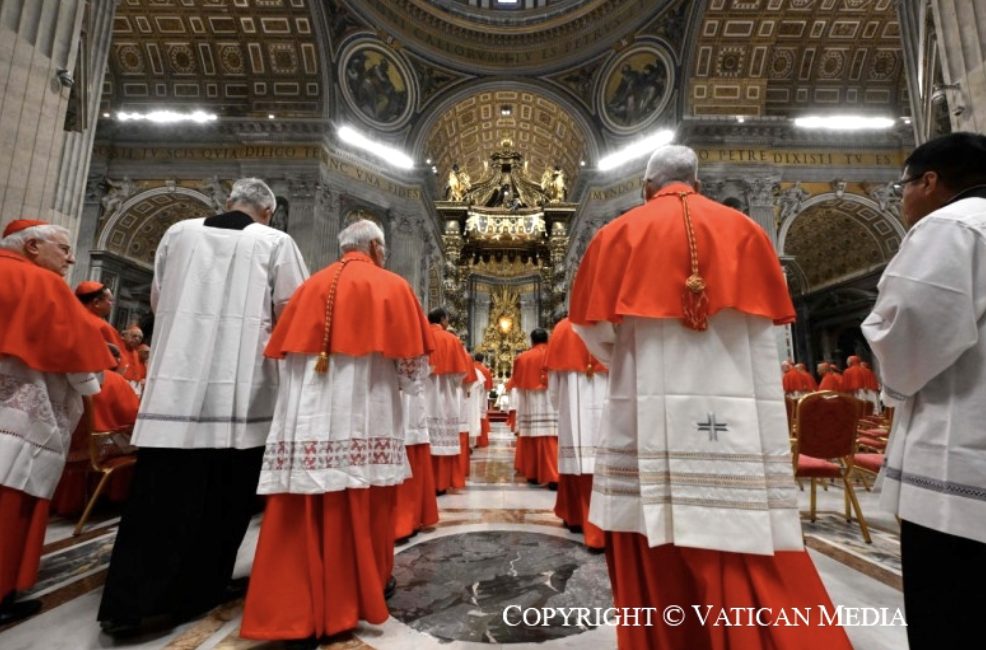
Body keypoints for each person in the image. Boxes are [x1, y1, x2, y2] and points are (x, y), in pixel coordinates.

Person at [569, 145, 850, 649]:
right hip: (737, 405)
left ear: (646, 187)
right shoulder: (747, 232)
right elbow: (766, 325)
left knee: (651, 520)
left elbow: (591, 331)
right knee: (742, 528)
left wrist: (628, 361)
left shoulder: (616, 235)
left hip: (647, 405)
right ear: (696, 180)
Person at [98, 178, 309, 635]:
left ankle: (130, 603)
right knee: (224, 497)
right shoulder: (276, 242)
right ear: (267, 212)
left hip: (176, 383)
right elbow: (293, 312)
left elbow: (158, 299)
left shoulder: (179, 232)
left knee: (156, 497)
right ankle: (200, 590)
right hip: (240, 390)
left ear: (229, 202)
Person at [240, 219, 432, 648]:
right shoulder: (392, 285)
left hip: (307, 421)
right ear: (378, 248)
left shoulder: (309, 287)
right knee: (359, 494)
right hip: (364, 412)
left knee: (303, 500)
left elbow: (283, 355)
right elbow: (413, 370)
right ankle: (355, 592)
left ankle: (291, 608)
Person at [862, 132, 986, 650]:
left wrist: (886, 367)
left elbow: (910, 328)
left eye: (903, 186)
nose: (904, 198)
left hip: (961, 453)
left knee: (956, 612)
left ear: (930, 182)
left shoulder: (953, 225)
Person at [0, 219, 113, 624]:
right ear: (32, 245)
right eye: (64, 249)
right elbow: (81, 361)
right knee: (9, 508)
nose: (70, 258)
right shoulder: (42, 285)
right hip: (19, 418)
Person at [546, 316, 607, 550]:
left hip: (572, 407)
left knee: (575, 464)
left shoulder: (562, 329)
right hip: (606, 398)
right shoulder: (607, 321)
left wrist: (558, 404)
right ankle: (600, 529)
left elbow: (553, 382)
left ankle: (574, 516)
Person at [423, 308, 472, 494]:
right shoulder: (452, 339)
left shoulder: (421, 334)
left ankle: (425, 483)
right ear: (443, 319)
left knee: (423, 439)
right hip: (444, 395)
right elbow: (460, 375)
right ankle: (441, 483)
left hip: (420, 395)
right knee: (441, 440)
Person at [512, 328, 559, 488]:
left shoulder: (522, 358)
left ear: (531, 341)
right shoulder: (555, 353)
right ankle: (554, 477)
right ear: (547, 339)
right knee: (550, 438)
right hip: (552, 402)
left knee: (531, 437)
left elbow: (517, 384)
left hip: (530, 403)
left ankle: (533, 474)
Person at [74, 281, 127, 353]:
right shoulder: (102, 327)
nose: (112, 304)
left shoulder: (69, 318)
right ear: (96, 303)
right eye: (110, 300)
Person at [473, 353, 494, 448]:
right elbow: (489, 387)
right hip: (481, 398)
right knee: (481, 416)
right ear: (483, 360)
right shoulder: (485, 370)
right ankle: (481, 440)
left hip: (470, 398)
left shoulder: (470, 367)